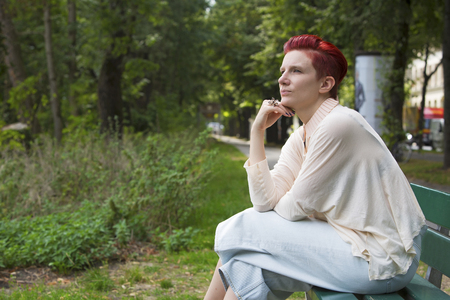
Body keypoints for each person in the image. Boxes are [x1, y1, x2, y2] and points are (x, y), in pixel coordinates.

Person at [204, 34, 426, 300]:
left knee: (249, 224)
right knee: (247, 267)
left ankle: (228, 240)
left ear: (325, 83)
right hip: (348, 245)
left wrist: (281, 202)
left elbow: (292, 208)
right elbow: (265, 202)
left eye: (296, 71)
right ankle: (233, 247)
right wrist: (257, 131)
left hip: (383, 258)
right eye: (283, 70)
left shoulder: (339, 124)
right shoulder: (303, 136)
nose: (282, 79)